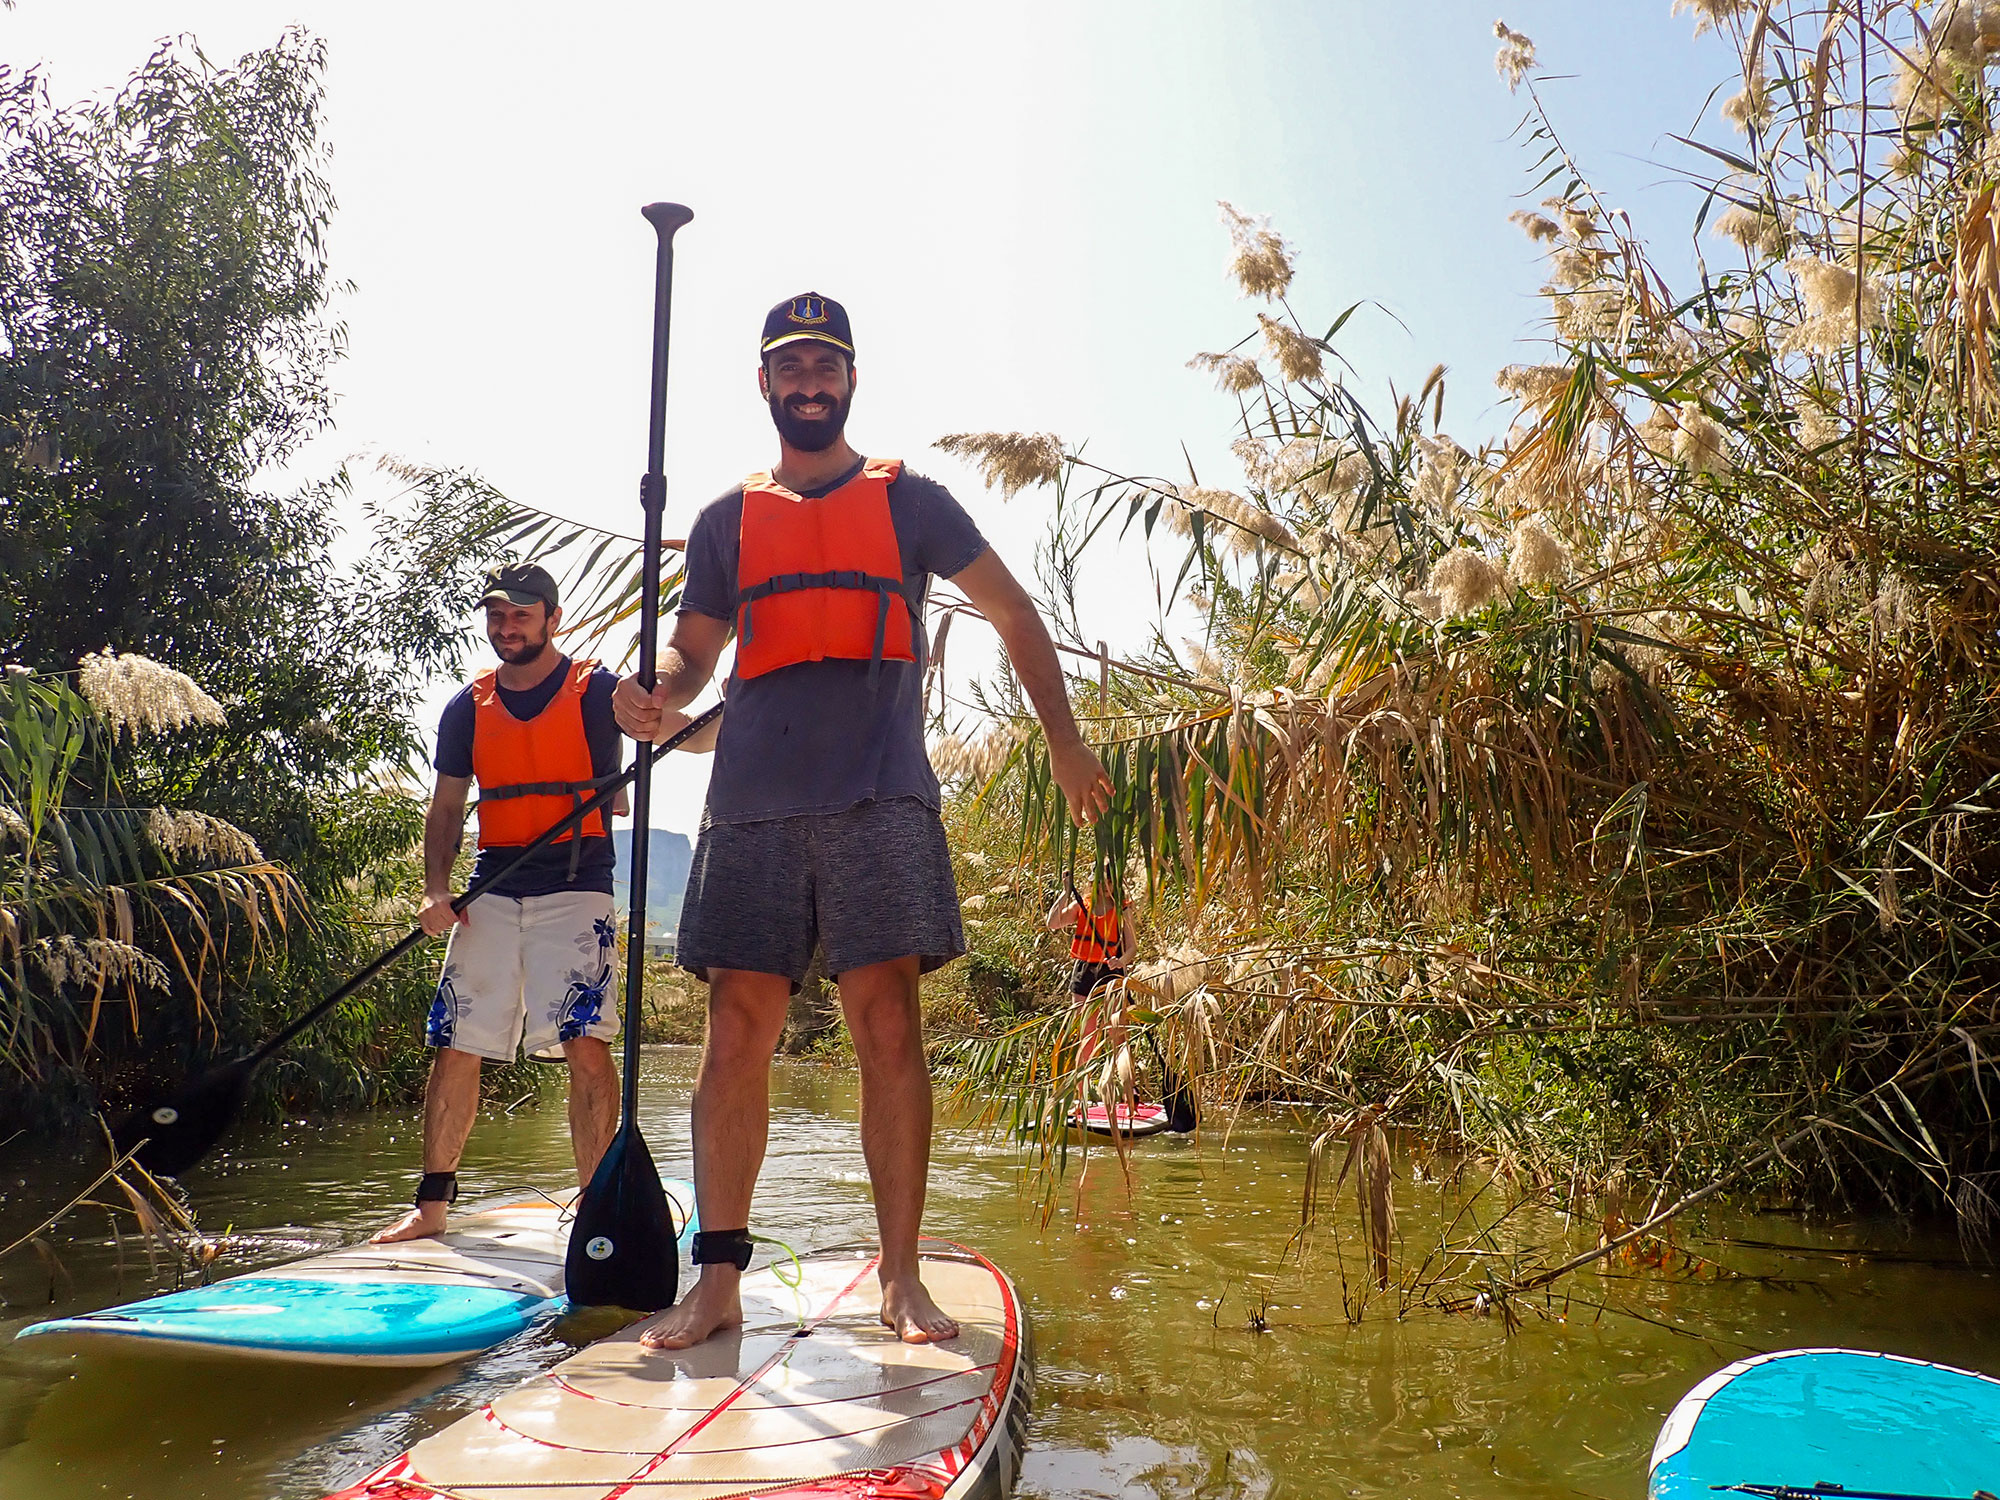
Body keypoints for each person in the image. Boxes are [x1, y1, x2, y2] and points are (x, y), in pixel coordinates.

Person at [613, 292, 1111, 1347]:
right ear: (762, 383)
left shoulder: (911, 502)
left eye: (823, 366)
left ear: (849, 379)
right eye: (788, 367)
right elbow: (692, 651)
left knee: (888, 1028)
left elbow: (1014, 611)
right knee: (733, 1037)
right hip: (748, 803)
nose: (806, 383)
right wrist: (649, 687)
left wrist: (1063, 741)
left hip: (879, 794)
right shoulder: (724, 521)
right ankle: (716, 1284)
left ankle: (899, 1278)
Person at [372, 564, 625, 1243]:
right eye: (497, 616)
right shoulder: (466, 706)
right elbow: (448, 806)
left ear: (552, 618)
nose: (506, 627)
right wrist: (435, 889)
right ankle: (431, 1207)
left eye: (520, 615)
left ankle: (598, 1206)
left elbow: (633, 764)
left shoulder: (596, 690)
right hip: (491, 885)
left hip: (576, 886)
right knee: (456, 1042)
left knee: (586, 1045)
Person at [1044, 877, 1138, 1071]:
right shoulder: (1081, 905)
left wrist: (1121, 961)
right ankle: (1082, 1091)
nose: (1104, 887)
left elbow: (1132, 948)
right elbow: (1052, 923)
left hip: (1111, 972)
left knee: (1118, 1032)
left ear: (1115, 884)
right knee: (1086, 1034)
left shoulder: (1123, 909)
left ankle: (1123, 1087)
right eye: (1100, 882)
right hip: (1085, 972)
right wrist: (1066, 892)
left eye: (1109, 882)